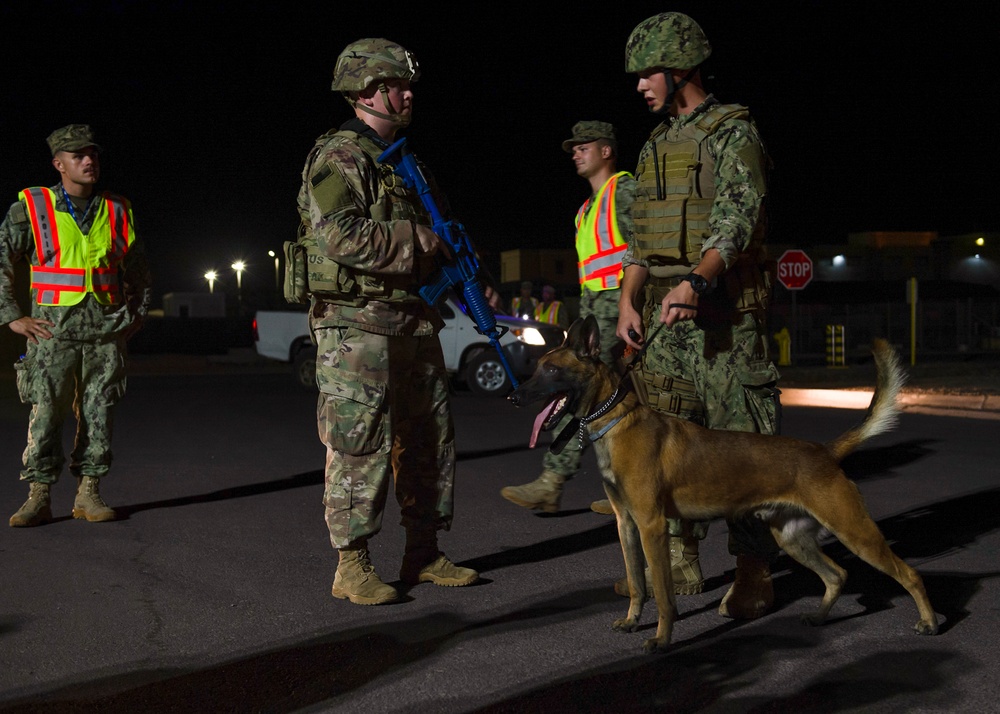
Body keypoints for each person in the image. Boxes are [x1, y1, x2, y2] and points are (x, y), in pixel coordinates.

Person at [297, 38, 499, 605]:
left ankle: (423, 550)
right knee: (358, 444)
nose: (408, 94)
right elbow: (336, 235)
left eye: (407, 85)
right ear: (366, 91)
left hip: (413, 321)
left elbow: (443, 230)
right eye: (396, 85)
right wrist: (421, 241)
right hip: (356, 327)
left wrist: (468, 269)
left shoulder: (407, 162)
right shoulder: (338, 156)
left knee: (429, 439)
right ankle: (353, 564)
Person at [615, 12, 782, 620]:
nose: (639, 86)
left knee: (744, 448)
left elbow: (737, 218)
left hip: (725, 320)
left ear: (679, 66)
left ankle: (753, 570)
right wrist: (629, 300)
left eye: (646, 73)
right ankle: (678, 558)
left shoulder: (733, 133)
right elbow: (641, 240)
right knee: (664, 441)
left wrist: (694, 280)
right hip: (665, 322)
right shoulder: (656, 142)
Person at [2, 124, 151, 528]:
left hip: (105, 332)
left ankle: (89, 493)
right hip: (52, 332)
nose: (89, 161)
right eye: (78, 155)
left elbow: (137, 269)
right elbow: (2, 259)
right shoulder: (32, 207)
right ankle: (38, 496)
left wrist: (136, 314)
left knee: (100, 412)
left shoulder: (118, 208)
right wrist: (11, 315)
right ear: (59, 163)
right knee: (46, 412)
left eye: (93, 155)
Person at [501, 121, 633, 513]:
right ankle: (621, 489)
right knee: (606, 400)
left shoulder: (624, 191)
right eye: (573, 148)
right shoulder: (585, 210)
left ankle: (553, 481)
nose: (575, 153)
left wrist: (633, 306)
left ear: (606, 151)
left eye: (584, 146)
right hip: (595, 311)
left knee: (582, 395)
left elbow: (643, 253)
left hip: (621, 308)